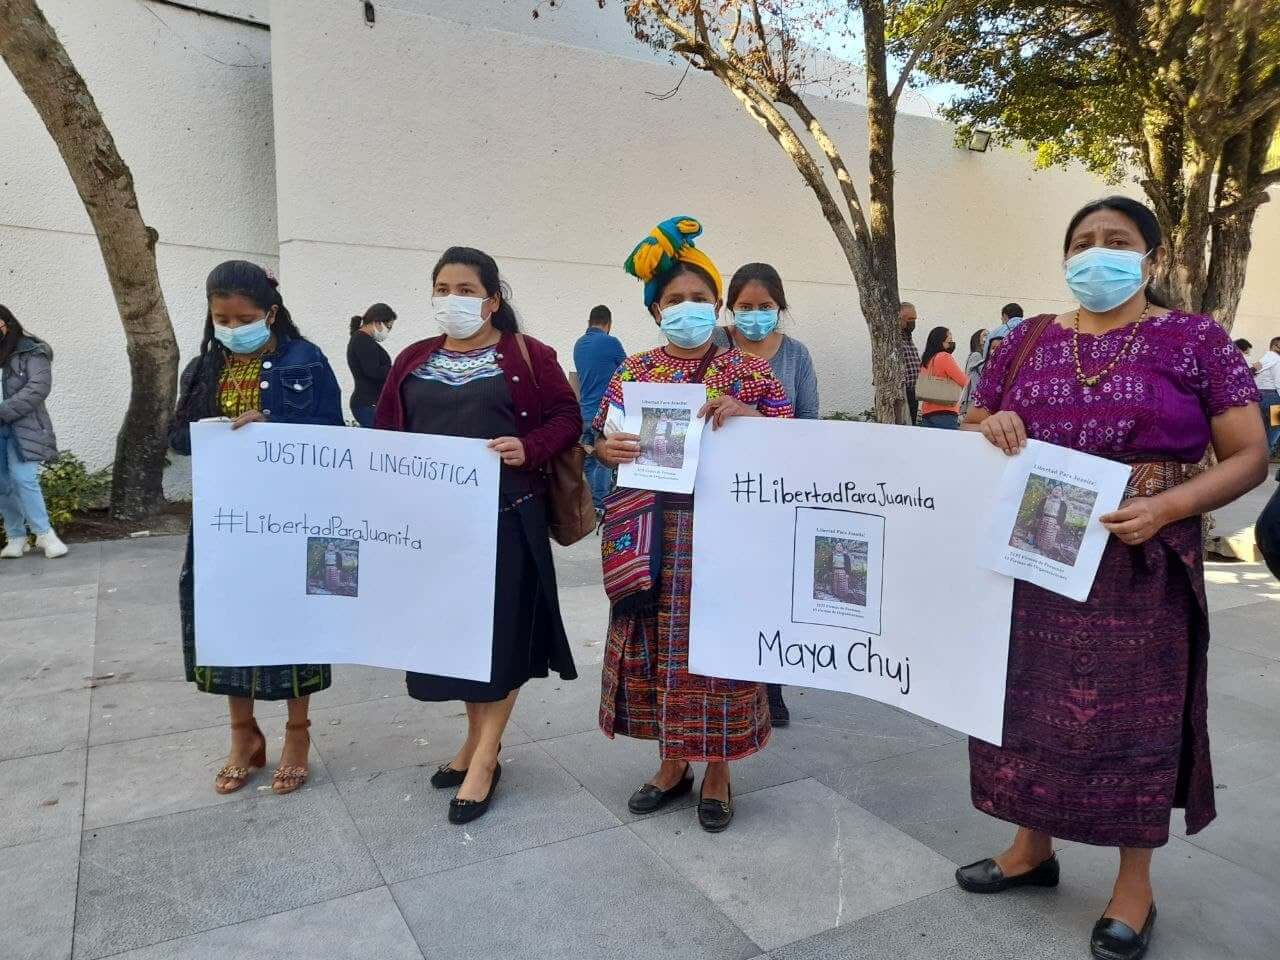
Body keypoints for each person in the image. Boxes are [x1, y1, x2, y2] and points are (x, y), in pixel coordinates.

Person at [958, 196, 1267, 960]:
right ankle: (1032, 849)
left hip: (1141, 563)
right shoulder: (1022, 340)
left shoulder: (1195, 339)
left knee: (1135, 721)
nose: (1098, 254)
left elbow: (1249, 453)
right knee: (1024, 710)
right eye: (1084, 242)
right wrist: (988, 425)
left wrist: (1168, 509)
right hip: (1033, 557)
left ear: (1151, 257)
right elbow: (972, 422)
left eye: (1118, 241)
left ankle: (1135, 884)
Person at [594, 216, 792, 833]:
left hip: (724, 537)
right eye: (674, 300)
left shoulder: (748, 373)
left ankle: (719, 771)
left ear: (719, 307)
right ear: (657, 312)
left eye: (700, 299)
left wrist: (750, 416)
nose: (688, 308)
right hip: (651, 536)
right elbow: (600, 437)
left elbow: (793, 445)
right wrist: (606, 451)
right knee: (659, 652)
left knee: (719, 651)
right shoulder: (635, 371)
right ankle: (672, 762)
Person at [375, 246, 580, 825]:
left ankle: (486, 756)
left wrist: (529, 447)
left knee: (503, 637)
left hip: (507, 517)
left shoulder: (529, 356)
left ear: (492, 298)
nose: (452, 299)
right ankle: (472, 741)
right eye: (443, 288)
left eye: (466, 289)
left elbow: (568, 419)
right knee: (459, 639)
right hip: (435, 526)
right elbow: (387, 433)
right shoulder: (412, 359)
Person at [169, 260, 344, 796]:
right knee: (227, 621)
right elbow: (177, 439)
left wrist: (277, 427)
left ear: (270, 312)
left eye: (242, 316)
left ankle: (297, 732)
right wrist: (210, 431)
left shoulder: (306, 360)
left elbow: (336, 433)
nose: (230, 326)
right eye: (221, 317)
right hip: (226, 521)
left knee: (298, 620)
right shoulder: (202, 368)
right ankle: (243, 734)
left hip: (296, 515)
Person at [712, 261, 819, 726]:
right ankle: (723, 678)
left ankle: (770, 686)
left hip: (774, 492)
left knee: (773, 590)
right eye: (745, 307)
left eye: (765, 307)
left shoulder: (796, 356)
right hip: (715, 491)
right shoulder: (712, 345)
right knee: (722, 586)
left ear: (780, 308)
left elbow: (810, 424)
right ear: (730, 309)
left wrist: (758, 419)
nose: (754, 315)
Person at [0, 305, 67, 559]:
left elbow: (38, 387)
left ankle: (44, 534)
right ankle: (16, 536)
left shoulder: (31, 351)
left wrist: (3, 411)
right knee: (1, 484)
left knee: (23, 478)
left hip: (23, 427)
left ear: (7, 322)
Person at [573, 304, 626, 517]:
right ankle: (600, 504)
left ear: (589, 322)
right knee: (604, 458)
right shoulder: (610, 343)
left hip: (583, 411)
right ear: (609, 324)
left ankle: (588, 501)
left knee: (587, 458)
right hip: (602, 413)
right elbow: (629, 370)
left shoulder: (579, 344)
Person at [346, 302, 396, 427]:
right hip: (368, 404)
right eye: (388, 327)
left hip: (370, 403)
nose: (388, 332)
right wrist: (396, 370)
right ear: (377, 322)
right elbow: (373, 371)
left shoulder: (362, 339)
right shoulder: (362, 340)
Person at [917, 326, 968, 429]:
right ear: (940, 342)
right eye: (949, 342)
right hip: (945, 412)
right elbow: (964, 381)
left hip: (927, 413)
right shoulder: (944, 357)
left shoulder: (926, 360)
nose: (952, 345)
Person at [1251, 335, 1280, 455]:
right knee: (1276, 426)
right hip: (1274, 397)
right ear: (1275, 346)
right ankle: (1264, 454)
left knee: (1262, 429)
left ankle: (1256, 455)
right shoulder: (1277, 359)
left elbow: (1254, 374)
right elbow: (1279, 382)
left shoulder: (1265, 358)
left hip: (1260, 397)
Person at [899, 302, 921, 424]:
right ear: (900, 318)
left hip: (913, 392)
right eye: (910, 319)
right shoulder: (894, 339)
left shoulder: (908, 337)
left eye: (915, 319)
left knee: (911, 424)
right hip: (903, 393)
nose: (913, 323)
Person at [959, 328, 986, 413]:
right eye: (984, 335)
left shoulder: (978, 355)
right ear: (977, 339)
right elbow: (985, 372)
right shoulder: (976, 355)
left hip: (973, 398)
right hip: (972, 399)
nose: (988, 336)